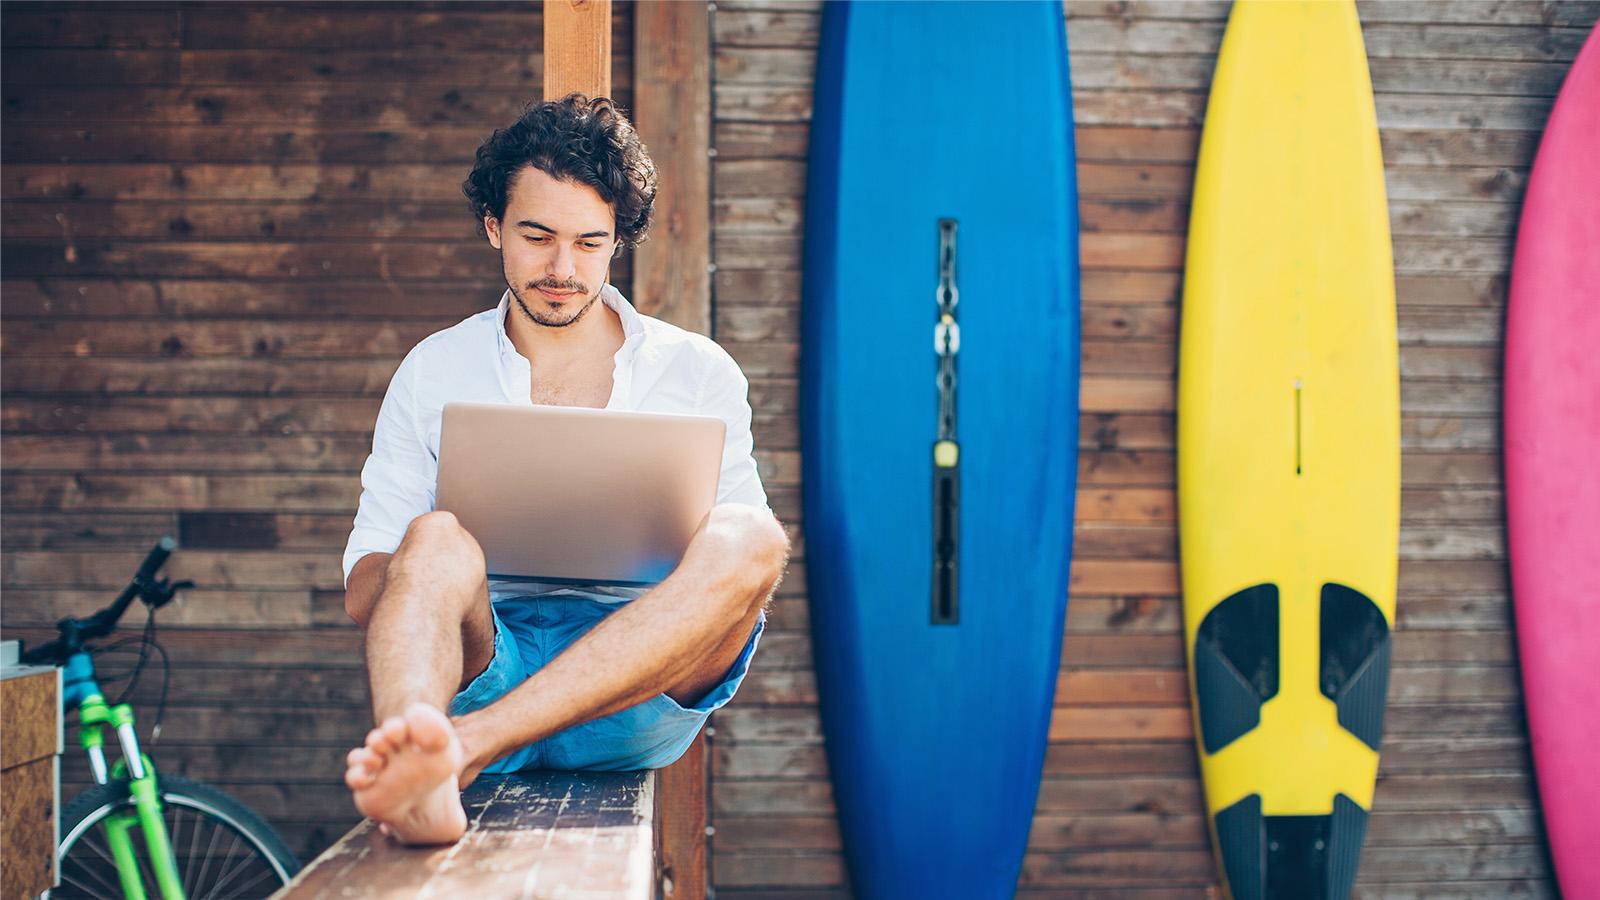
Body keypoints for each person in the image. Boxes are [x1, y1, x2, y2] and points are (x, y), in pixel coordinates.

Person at [338, 94, 789, 845]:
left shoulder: (697, 371)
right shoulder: (434, 369)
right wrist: (440, 562)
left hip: (633, 687)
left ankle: (457, 755)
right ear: (494, 228)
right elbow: (363, 591)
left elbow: (736, 587)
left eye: (589, 243)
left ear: (618, 243)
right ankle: (419, 754)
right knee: (433, 536)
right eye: (537, 236)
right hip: (488, 659)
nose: (561, 268)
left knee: (753, 537)